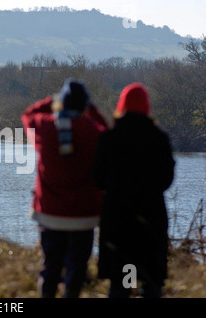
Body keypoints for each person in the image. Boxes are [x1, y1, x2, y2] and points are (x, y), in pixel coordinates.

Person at [21, 78, 109, 298]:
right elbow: (108, 135)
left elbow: (27, 116)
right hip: (83, 214)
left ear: (63, 102)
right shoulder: (93, 131)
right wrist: (93, 110)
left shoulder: (45, 126)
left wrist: (51, 100)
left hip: (49, 213)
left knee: (50, 267)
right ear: (84, 105)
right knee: (77, 268)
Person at [92, 82, 175, 298]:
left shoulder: (109, 138)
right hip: (150, 217)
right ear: (147, 107)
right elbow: (166, 180)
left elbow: (98, 179)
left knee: (122, 280)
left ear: (121, 106)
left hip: (118, 219)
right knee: (150, 279)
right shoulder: (159, 138)